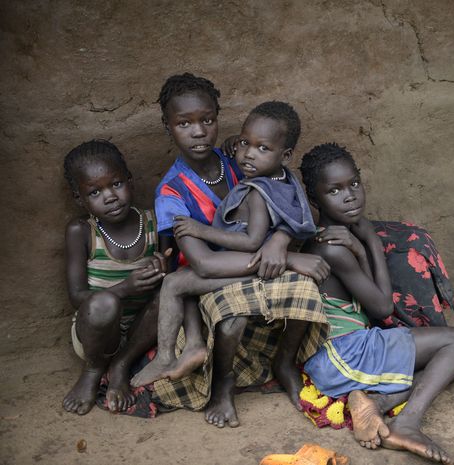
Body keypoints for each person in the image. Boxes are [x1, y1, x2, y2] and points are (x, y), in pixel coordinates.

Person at [151, 73, 330, 428]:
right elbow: (202, 263)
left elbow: (288, 198)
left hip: (253, 266)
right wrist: (289, 256)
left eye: (207, 120)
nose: (198, 131)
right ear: (168, 127)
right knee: (230, 319)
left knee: (307, 293)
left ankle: (284, 362)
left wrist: (280, 240)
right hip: (212, 277)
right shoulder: (171, 193)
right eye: (184, 124)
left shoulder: (240, 157)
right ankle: (222, 386)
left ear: (219, 118)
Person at [300, 143, 454, 464]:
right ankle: (407, 423)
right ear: (314, 200)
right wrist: (372, 246)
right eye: (334, 190)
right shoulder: (332, 247)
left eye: (353, 184)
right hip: (346, 354)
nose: (350, 195)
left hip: (336, 354)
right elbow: (381, 308)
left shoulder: (334, 238)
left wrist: (364, 248)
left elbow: (370, 301)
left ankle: (376, 404)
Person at [130, 100, 317, 388]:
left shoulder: (257, 188)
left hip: (250, 260)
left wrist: (201, 230)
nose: (248, 155)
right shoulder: (278, 176)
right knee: (180, 280)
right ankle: (192, 345)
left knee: (174, 284)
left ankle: (166, 356)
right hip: (249, 259)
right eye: (244, 143)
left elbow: (251, 241)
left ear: (286, 154)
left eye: (261, 148)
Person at [62, 139, 170, 415]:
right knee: (104, 304)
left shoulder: (154, 223)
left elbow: (174, 271)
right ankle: (95, 369)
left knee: (170, 290)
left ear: (130, 181)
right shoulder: (81, 232)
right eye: (95, 192)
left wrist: (162, 271)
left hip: (143, 331)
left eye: (116, 184)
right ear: (80, 199)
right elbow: (77, 298)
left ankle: (121, 364)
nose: (110, 196)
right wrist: (125, 288)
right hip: (95, 332)